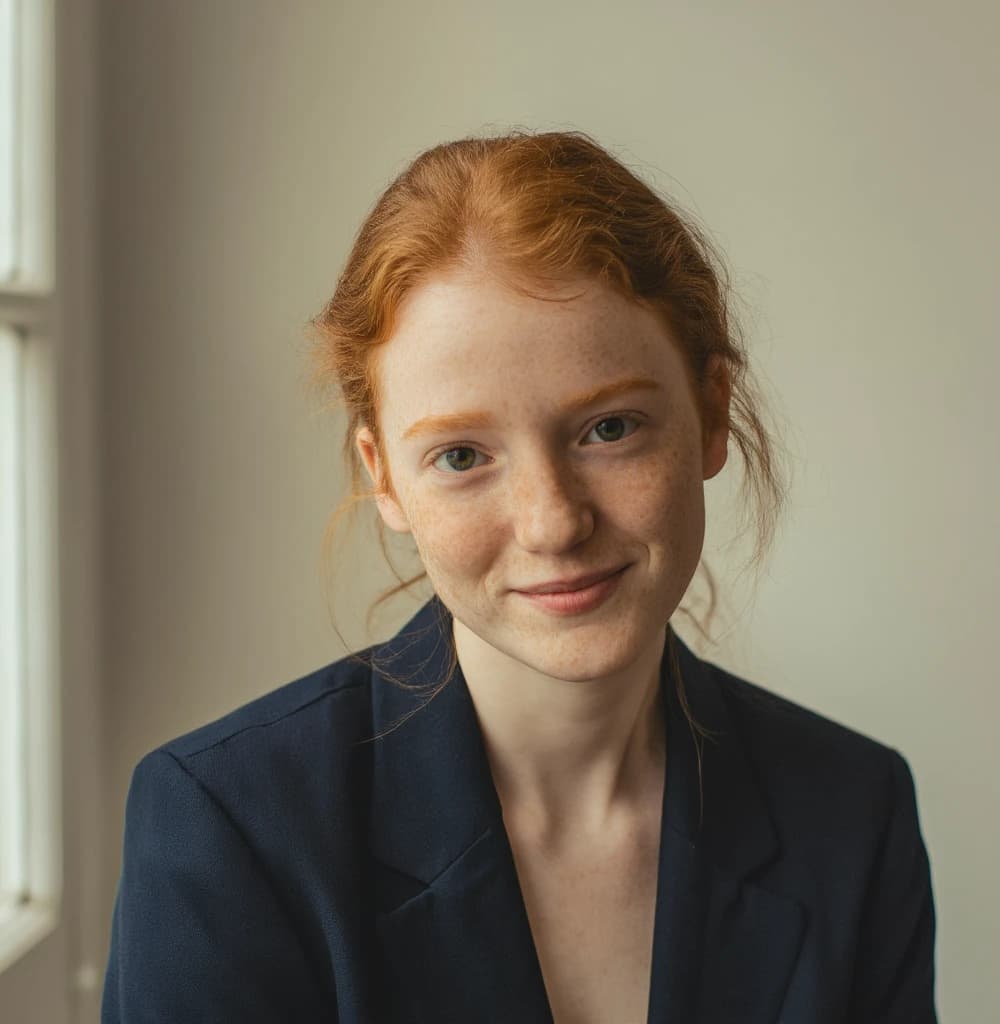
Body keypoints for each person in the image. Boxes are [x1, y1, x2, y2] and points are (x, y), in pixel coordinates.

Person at [101, 130, 938, 1023]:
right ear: (385, 478)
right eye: (462, 455)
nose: (554, 523)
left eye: (610, 429)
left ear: (711, 413)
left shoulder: (854, 812)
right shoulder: (227, 827)